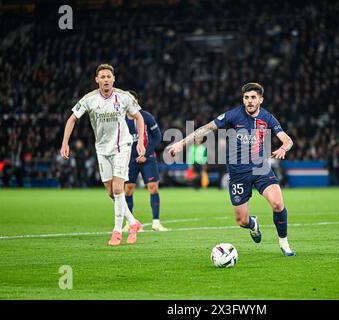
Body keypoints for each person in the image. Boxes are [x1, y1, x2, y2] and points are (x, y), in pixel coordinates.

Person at [167, 83, 296, 256]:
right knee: (242, 221)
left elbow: (287, 140)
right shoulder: (233, 115)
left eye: (253, 97)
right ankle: (253, 225)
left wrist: (283, 148)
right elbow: (206, 128)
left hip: (260, 169)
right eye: (246, 97)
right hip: (238, 174)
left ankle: (284, 243)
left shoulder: (268, 118)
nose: (249, 101)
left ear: (261, 99)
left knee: (278, 204)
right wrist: (182, 143)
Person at [60, 64, 146, 246]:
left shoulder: (124, 97)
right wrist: (65, 142)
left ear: (113, 79)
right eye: (102, 77)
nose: (106, 79)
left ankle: (116, 232)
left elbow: (139, 117)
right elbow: (72, 119)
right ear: (96, 79)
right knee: (111, 192)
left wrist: (140, 142)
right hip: (102, 149)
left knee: (117, 188)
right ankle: (133, 223)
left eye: (109, 76)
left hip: (122, 146)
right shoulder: (89, 99)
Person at [123, 90, 167, 232]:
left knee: (153, 187)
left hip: (148, 158)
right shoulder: (121, 119)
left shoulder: (146, 117)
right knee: (128, 190)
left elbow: (157, 137)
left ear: (136, 101)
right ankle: (129, 222)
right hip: (129, 159)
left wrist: (146, 154)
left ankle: (156, 222)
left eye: (133, 99)